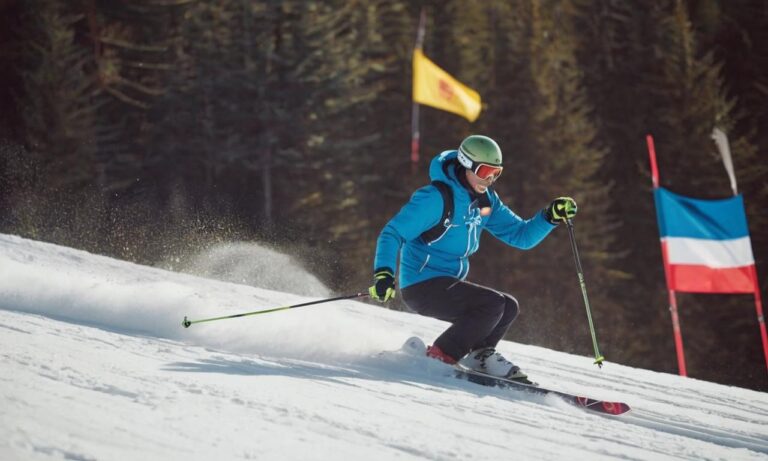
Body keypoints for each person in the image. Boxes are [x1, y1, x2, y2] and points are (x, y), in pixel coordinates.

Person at [368, 135, 577, 381]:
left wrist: (549, 217)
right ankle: (440, 355)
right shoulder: (436, 198)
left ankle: (479, 354)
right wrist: (384, 273)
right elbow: (393, 233)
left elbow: (520, 236)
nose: (489, 179)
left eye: (496, 173)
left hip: (449, 282)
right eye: (485, 171)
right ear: (466, 164)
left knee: (508, 306)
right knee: (491, 305)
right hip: (422, 285)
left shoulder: (485, 202)